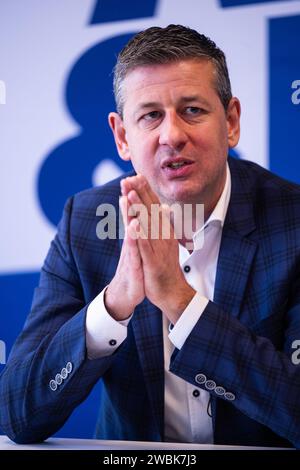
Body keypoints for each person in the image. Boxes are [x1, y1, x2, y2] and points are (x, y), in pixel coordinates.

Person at [1, 24, 300, 448]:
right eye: (150, 116)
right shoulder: (86, 222)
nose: (172, 135)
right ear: (123, 136)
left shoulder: (294, 222)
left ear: (231, 122)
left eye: (193, 110)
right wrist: (113, 303)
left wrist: (180, 301)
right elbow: (16, 414)